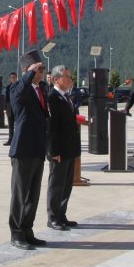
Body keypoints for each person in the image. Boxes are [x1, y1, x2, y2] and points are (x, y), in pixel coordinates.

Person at [8, 50, 49, 250]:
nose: (42, 72)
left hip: (37, 149)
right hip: (22, 150)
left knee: (33, 195)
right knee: (20, 194)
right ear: (27, 71)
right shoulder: (17, 88)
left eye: (42, 68)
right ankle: (16, 232)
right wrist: (28, 76)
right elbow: (17, 99)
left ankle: (27, 230)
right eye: (38, 69)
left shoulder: (41, 90)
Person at [45, 66, 84, 231]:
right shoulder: (52, 97)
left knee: (67, 184)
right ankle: (53, 217)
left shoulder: (67, 96)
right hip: (59, 150)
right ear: (56, 79)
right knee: (56, 184)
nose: (70, 79)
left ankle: (62, 215)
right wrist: (54, 151)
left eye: (70, 76)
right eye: (66, 76)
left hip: (70, 149)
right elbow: (51, 128)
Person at [3, 72, 17, 146]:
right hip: (9, 108)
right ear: (10, 79)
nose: (13, 79)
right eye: (12, 77)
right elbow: (6, 98)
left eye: (14, 77)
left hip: (17, 109)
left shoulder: (19, 86)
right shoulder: (8, 87)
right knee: (10, 126)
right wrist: (4, 108)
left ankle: (17, 140)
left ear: (16, 78)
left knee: (18, 126)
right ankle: (10, 139)